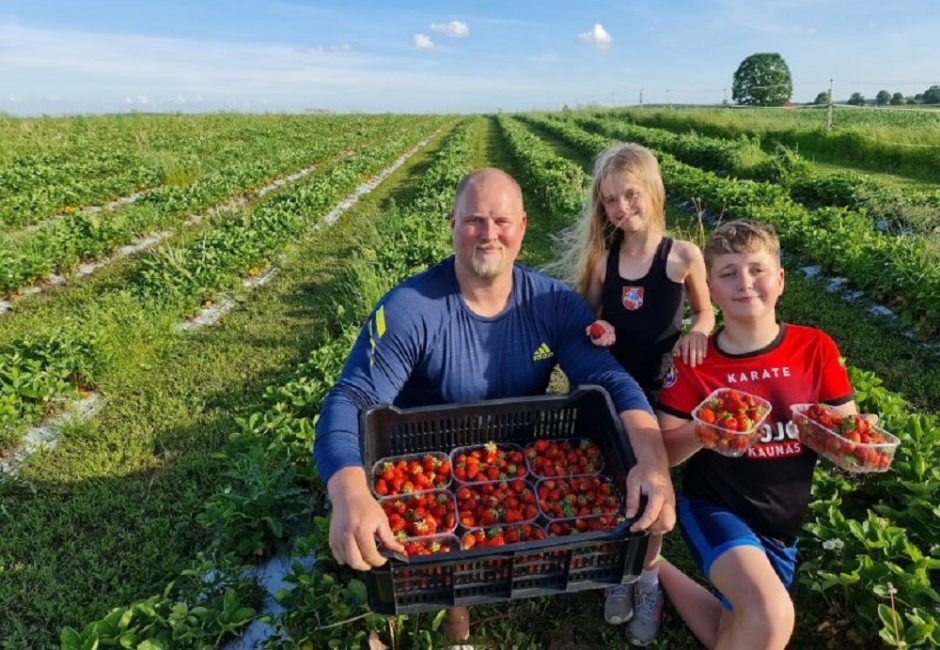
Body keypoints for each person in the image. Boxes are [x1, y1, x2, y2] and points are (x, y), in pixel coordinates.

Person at [313, 168, 677, 646]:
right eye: (474, 221)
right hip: (432, 464)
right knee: (444, 539)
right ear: (452, 224)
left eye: (502, 221)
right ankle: (457, 624)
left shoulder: (552, 303)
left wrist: (652, 461)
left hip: (515, 459)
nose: (489, 235)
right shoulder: (410, 308)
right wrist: (349, 493)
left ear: (522, 227)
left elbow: (610, 380)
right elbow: (352, 397)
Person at [654, 219, 871, 649]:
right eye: (728, 273)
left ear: (781, 280)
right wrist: (703, 431)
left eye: (757, 269)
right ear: (710, 290)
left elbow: (848, 430)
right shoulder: (696, 361)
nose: (745, 283)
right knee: (771, 615)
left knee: (740, 629)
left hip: (783, 522)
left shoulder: (816, 349)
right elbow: (664, 449)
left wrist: (850, 449)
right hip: (717, 507)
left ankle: (655, 567)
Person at [566, 142, 714, 645]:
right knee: (613, 476)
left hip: (660, 394)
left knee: (655, 487)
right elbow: (588, 321)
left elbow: (706, 312)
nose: (622, 208)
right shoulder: (605, 262)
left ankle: (646, 576)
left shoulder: (682, 257)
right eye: (610, 200)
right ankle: (618, 572)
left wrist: (698, 331)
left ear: (652, 191)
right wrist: (599, 330)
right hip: (610, 388)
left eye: (631, 195)